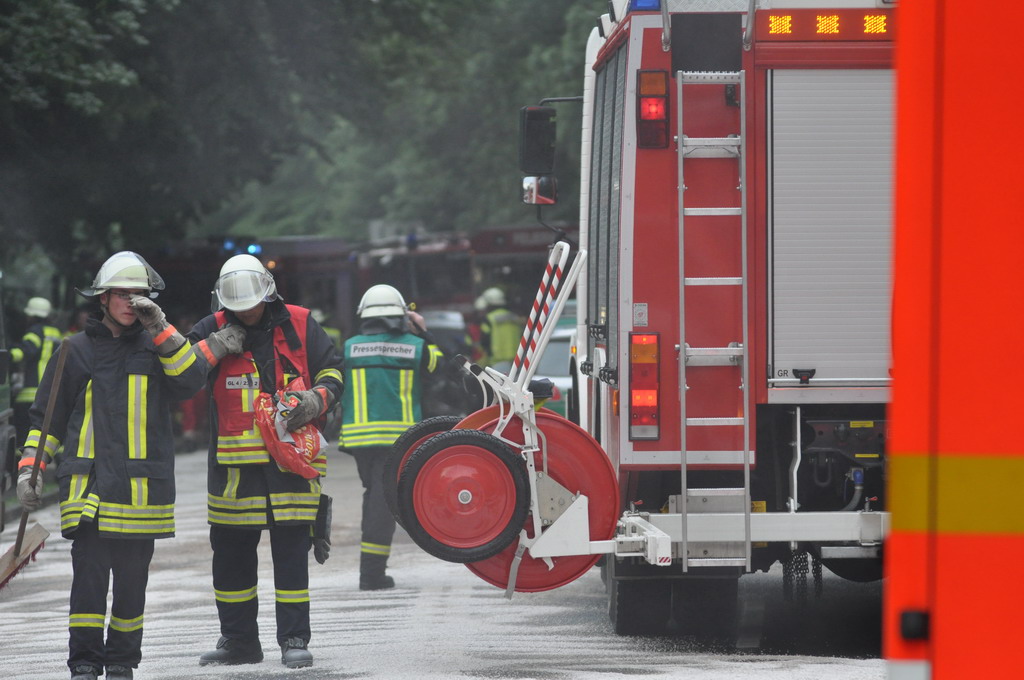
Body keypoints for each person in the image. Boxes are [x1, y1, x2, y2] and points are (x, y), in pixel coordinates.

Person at [15, 252, 213, 680]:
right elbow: (45, 419)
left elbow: (191, 380)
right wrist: (31, 469)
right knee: (88, 582)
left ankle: (122, 661)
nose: (131, 301)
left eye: (139, 294)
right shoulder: (74, 350)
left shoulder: (158, 347)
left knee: (131, 586)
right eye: (122, 294)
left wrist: (160, 328)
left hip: (141, 495)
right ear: (102, 299)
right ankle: (84, 662)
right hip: (88, 492)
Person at [187, 254, 343, 669]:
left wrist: (316, 399)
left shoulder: (301, 323)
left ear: (268, 294)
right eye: (237, 306)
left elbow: (334, 371)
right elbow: (179, 375)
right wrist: (210, 349)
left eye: (251, 304)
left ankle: (294, 639)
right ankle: (239, 643)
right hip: (233, 472)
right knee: (231, 557)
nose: (245, 312)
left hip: (289, 466)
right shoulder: (211, 328)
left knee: (291, 553)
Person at [339, 284, 443, 590]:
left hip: (359, 440)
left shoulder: (348, 347)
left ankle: (371, 570)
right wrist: (423, 331)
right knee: (382, 503)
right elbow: (440, 367)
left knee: (374, 497)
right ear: (401, 316)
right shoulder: (416, 346)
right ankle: (371, 574)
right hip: (398, 439)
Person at [9, 296, 63, 442]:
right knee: (48, 431)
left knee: (23, 431)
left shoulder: (34, 331)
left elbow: (25, 351)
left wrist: (8, 355)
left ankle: (20, 461)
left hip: (31, 392)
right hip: (52, 390)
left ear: (31, 315)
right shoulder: (55, 332)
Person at [476, 287, 523, 369]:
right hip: (517, 362)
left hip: (497, 362)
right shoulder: (514, 317)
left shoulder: (489, 319)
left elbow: (484, 341)